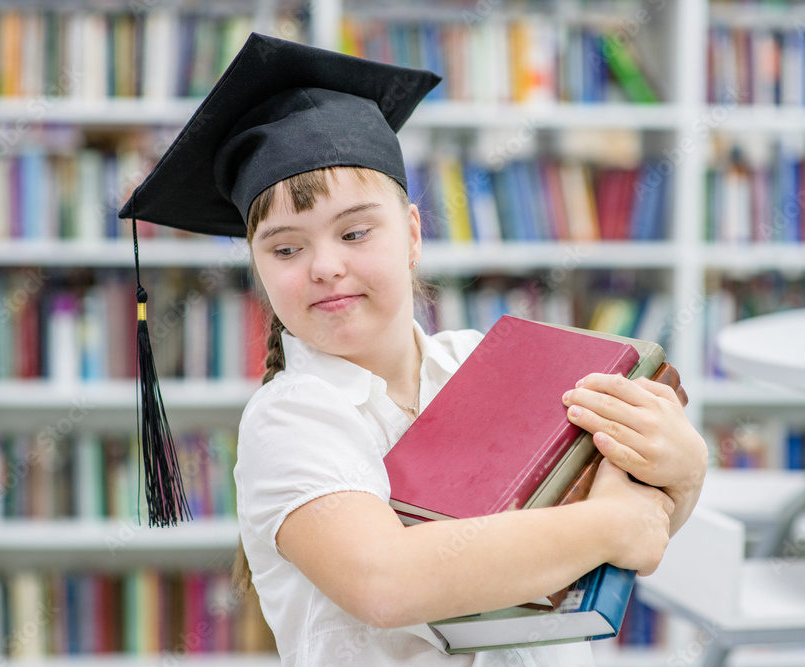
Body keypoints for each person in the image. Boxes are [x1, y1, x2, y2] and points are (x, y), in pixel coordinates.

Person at [120, 33, 708, 667]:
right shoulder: (291, 417)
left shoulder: (486, 363)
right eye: (286, 248)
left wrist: (682, 471)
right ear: (259, 268)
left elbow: (620, 541)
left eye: (355, 231)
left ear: (412, 235)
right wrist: (611, 525)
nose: (325, 266)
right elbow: (385, 582)